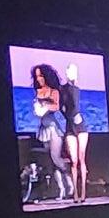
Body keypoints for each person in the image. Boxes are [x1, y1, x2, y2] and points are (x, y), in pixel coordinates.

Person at [29, 62, 70, 202]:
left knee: (55, 157)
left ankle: (70, 181)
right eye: (37, 76)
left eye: (41, 76)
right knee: (51, 161)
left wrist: (45, 105)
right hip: (43, 128)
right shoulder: (38, 92)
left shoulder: (54, 91)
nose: (39, 79)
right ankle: (61, 190)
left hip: (54, 128)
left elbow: (56, 106)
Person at [60, 60, 91, 203]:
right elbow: (63, 107)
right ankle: (76, 193)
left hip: (81, 126)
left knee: (81, 159)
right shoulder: (62, 89)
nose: (71, 74)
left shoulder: (76, 89)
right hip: (70, 126)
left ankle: (83, 192)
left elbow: (75, 106)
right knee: (73, 161)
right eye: (70, 71)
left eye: (73, 72)